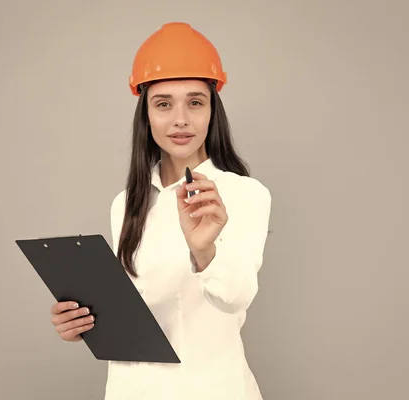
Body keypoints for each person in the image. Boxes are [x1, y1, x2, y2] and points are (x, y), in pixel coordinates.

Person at [49, 22, 272, 399]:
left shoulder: (242, 194)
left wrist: (204, 250)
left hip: (211, 389)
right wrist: (82, 322)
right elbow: (134, 311)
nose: (180, 118)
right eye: (164, 103)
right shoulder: (126, 203)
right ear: (146, 115)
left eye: (195, 102)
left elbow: (236, 297)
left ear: (212, 113)